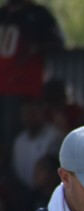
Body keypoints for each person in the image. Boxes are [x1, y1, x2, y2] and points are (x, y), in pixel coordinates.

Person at [0, 0, 64, 134]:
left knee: (16, 133)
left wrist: (36, 48)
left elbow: (58, 42)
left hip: (24, 87)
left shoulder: (39, 14)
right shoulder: (3, 14)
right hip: (3, 82)